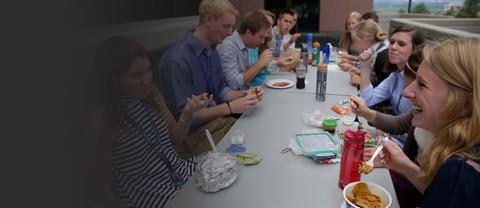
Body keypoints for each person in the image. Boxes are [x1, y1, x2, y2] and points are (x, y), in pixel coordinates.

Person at [93, 36, 212, 208]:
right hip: (149, 195)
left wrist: (186, 114)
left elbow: (175, 140)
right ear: (113, 80)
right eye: (137, 75)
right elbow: (103, 190)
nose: (147, 80)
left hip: (180, 173)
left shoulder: (152, 95)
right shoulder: (102, 120)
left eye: (149, 71)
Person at [157, 0, 263, 158]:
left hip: (217, 123)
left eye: (232, 27)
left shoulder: (213, 49)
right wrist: (229, 108)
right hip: (192, 138)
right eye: (226, 26)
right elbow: (185, 119)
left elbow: (221, 90)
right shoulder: (177, 60)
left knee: (261, 137)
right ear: (208, 20)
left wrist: (245, 94)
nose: (230, 33)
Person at [382, 38, 480, 207]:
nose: (407, 92)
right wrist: (405, 165)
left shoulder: (461, 173)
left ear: (465, 104)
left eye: (422, 85)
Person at [350, 44, 430, 208]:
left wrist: (404, 166)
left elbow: (438, 192)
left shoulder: (463, 163)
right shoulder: (397, 76)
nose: (406, 93)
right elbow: (400, 123)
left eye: (421, 84)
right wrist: (400, 164)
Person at [358, 25, 425, 116]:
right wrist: (365, 67)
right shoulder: (395, 75)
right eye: (392, 42)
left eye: (401, 44)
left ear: (415, 49)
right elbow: (367, 100)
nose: (393, 47)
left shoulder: (421, 81)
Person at [217, 11, 272, 90]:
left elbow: (250, 74)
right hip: (231, 98)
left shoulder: (248, 44)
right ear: (248, 32)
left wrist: (268, 64)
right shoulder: (228, 47)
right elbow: (233, 84)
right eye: (260, 37)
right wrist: (259, 63)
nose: (263, 41)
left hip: (245, 92)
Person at [339, 20, 389, 87]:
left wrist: (360, 81)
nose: (355, 46)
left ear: (365, 39)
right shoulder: (377, 51)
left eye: (355, 41)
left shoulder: (382, 56)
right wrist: (359, 71)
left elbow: (384, 89)